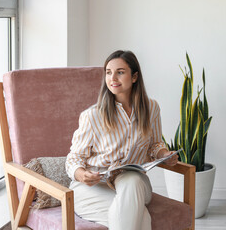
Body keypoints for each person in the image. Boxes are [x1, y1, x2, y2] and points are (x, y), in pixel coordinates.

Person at [65, 50, 178, 230]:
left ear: (134, 77)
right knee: (141, 216)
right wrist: (81, 174)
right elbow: (74, 158)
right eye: (108, 72)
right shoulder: (92, 116)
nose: (113, 78)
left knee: (131, 180)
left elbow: (155, 144)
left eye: (120, 72)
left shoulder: (152, 108)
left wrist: (165, 154)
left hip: (135, 184)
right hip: (94, 188)